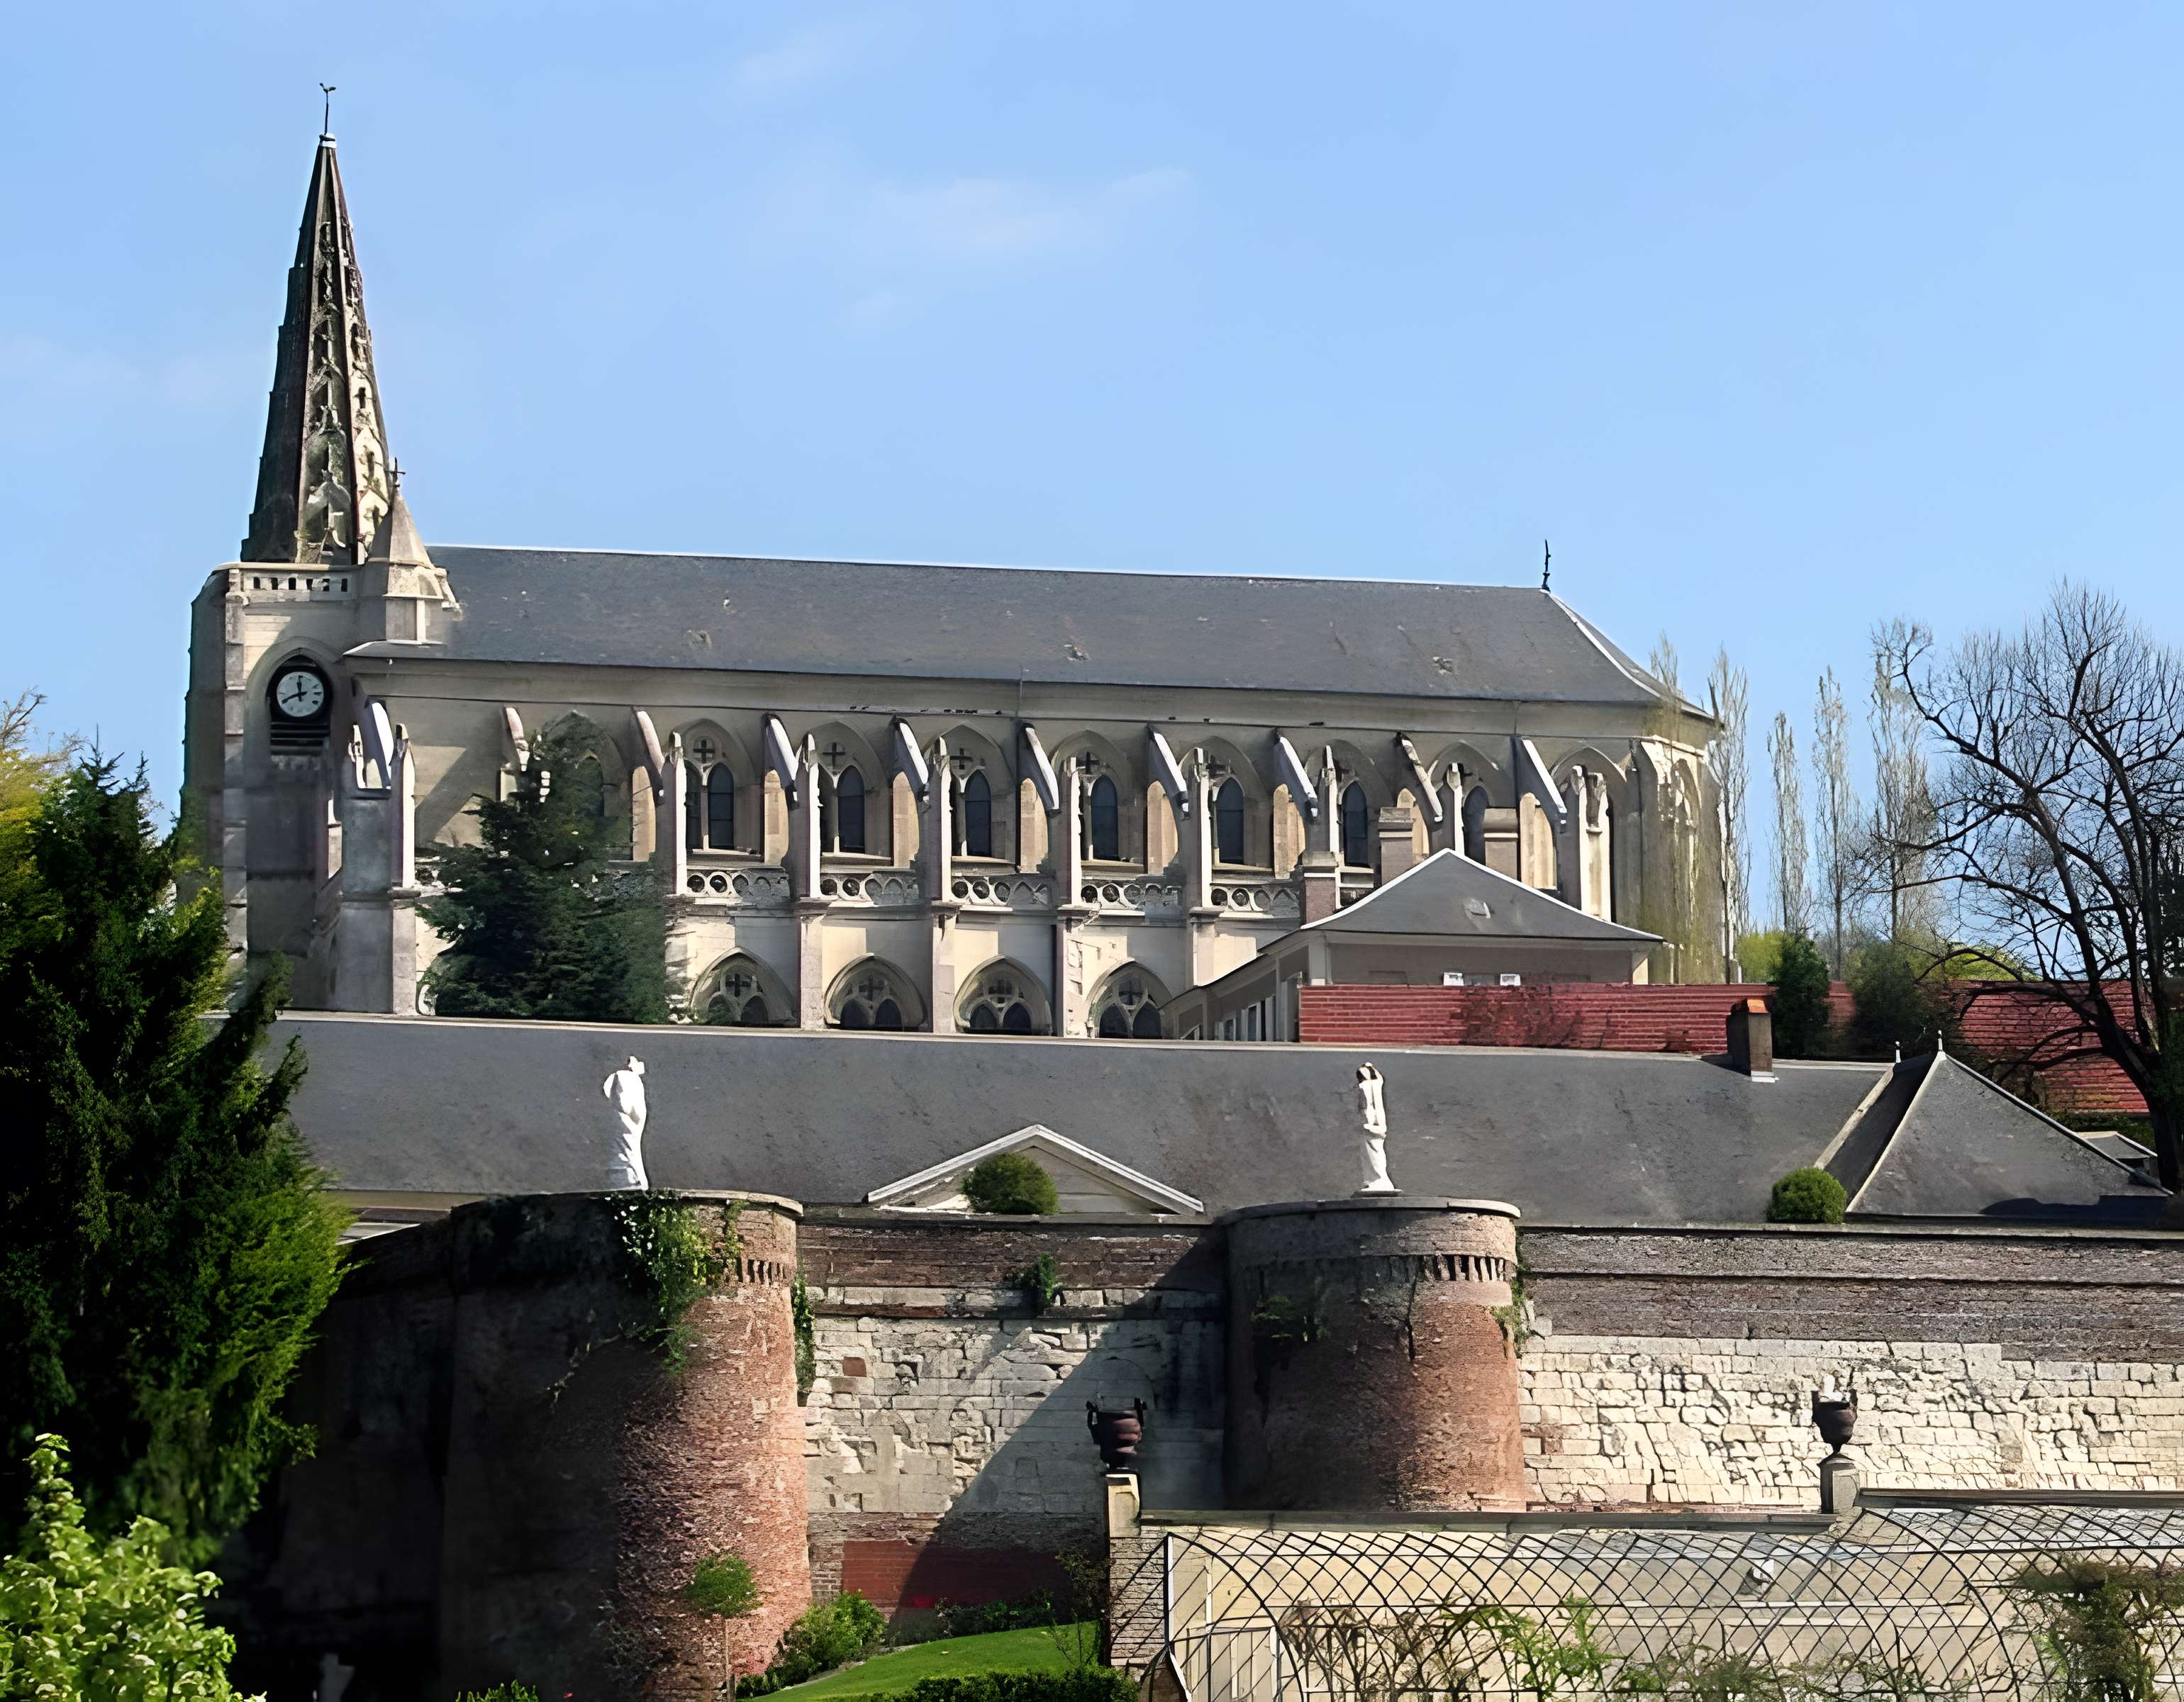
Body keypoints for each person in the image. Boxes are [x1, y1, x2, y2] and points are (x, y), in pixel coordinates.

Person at [603, 1056, 650, 1189]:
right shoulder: (634, 1117)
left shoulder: (612, 1114)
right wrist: (633, 1074)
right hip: (630, 1175)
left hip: (621, 1174)